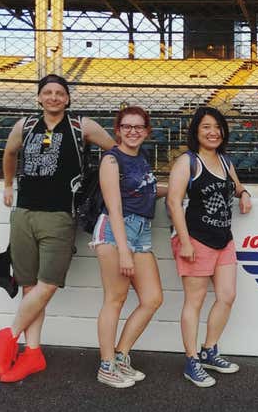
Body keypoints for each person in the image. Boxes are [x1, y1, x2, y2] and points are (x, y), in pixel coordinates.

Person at [0, 74, 115, 383]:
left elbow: (114, 152)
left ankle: (9, 336)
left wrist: (103, 185)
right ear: (38, 98)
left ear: (68, 99)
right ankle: (32, 352)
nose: (53, 97)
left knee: (47, 285)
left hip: (60, 215)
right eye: (47, 92)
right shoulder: (24, 126)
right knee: (29, 286)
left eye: (59, 93)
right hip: (23, 213)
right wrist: (8, 185)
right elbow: (9, 153)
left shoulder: (81, 126)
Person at [167, 106, 252, 388]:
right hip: (196, 239)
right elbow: (173, 202)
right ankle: (191, 360)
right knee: (195, 301)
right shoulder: (187, 162)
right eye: (206, 126)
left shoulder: (226, 162)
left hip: (223, 239)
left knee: (227, 295)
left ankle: (209, 350)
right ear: (196, 131)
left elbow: (237, 186)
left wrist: (244, 193)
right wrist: (186, 241)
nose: (213, 132)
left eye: (217, 127)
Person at [91, 106, 167, 388]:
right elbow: (114, 206)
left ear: (147, 131)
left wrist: (176, 188)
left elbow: (147, 189)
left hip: (142, 231)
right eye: (127, 126)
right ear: (118, 130)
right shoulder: (112, 161)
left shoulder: (142, 157)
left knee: (152, 298)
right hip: (115, 230)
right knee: (115, 298)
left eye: (139, 127)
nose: (133, 131)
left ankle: (121, 355)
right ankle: (107, 365)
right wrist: (124, 250)